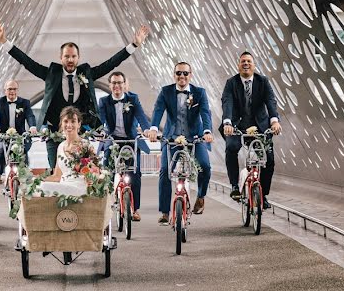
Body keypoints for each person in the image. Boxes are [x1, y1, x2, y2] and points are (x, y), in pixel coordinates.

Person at [0, 18, 150, 169]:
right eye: (67, 56)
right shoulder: (52, 73)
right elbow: (27, 62)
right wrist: (4, 41)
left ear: (78, 58)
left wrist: (134, 45)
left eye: (73, 56)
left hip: (80, 133)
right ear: (61, 58)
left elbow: (111, 63)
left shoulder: (86, 73)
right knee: (56, 170)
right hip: (54, 132)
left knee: (80, 170)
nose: (70, 60)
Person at [144, 62, 214, 223]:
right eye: (178, 73)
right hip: (172, 138)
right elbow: (158, 110)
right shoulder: (166, 91)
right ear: (174, 74)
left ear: (191, 75)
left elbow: (205, 113)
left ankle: (201, 197)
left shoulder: (199, 93)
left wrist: (207, 132)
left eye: (185, 73)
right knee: (164, 171)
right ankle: (164, 212)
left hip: (195, 138)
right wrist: (153, 128)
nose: (182, 76)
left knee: (205, 166)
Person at [221, 51, 281, 209]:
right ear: (238, 65)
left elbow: (271, 101)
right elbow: (227, 102)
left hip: (260, 126)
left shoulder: (263, 81)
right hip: (237, 127)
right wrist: (227, 122)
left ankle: (263, 194)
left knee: (269, 159)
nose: (246, 64)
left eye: (249, 61)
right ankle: (235, 186)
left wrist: (274, 121)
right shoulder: (231, 83)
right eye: (243, 61)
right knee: (231, 148)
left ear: (254, 65)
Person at [97, 71, 149, 221]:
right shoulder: (104, 101)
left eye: (120, 82)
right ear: (109, 85)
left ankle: (135, 209)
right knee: (107, 170)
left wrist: (146, 129)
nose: (117, 86)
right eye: (114, 83)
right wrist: (100, 131)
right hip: (112, 140)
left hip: (131, 140)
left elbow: (141, 116)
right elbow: (101, 120)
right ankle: (105, 205)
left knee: (135, 173)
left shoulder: (133, 99)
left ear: (124, 84)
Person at [39, 107, 92, 196]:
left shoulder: (85, 145)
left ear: (79, 124)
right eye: (66, 121)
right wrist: (38, 180)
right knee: (38, 187)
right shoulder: (60, 146)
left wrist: (91, 179)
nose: (69, 125)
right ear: (61, 124)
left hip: (79, 188)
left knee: (44, 187)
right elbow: (57, 176)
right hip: (63, 186)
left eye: (73, 121)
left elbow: (94, 172)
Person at [0, 79, 37, 185]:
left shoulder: (24, 102)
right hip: (3, 135)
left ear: (17, 90)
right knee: (1, 151)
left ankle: (25, 175)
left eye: (14, 89)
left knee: (23, 150)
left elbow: (30, 115)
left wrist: (32, 126)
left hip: (19, 135)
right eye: (9, 89)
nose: (12, 91)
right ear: (5, 90)